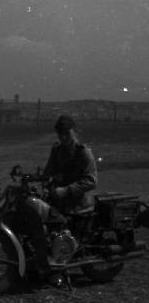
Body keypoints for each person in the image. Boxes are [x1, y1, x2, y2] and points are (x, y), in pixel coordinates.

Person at [20, 115, 98, 280]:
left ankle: (57, 263)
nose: (63, 138)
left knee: (54, 223)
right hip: (59, 200)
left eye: (67, 134)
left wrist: (66, 190)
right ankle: (42, 259)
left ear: (75, 131)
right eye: (60, 135)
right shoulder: (57, 150)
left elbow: (91, 181)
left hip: (78, 205)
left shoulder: (84, 152)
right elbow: (49, 172)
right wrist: (31, 178)